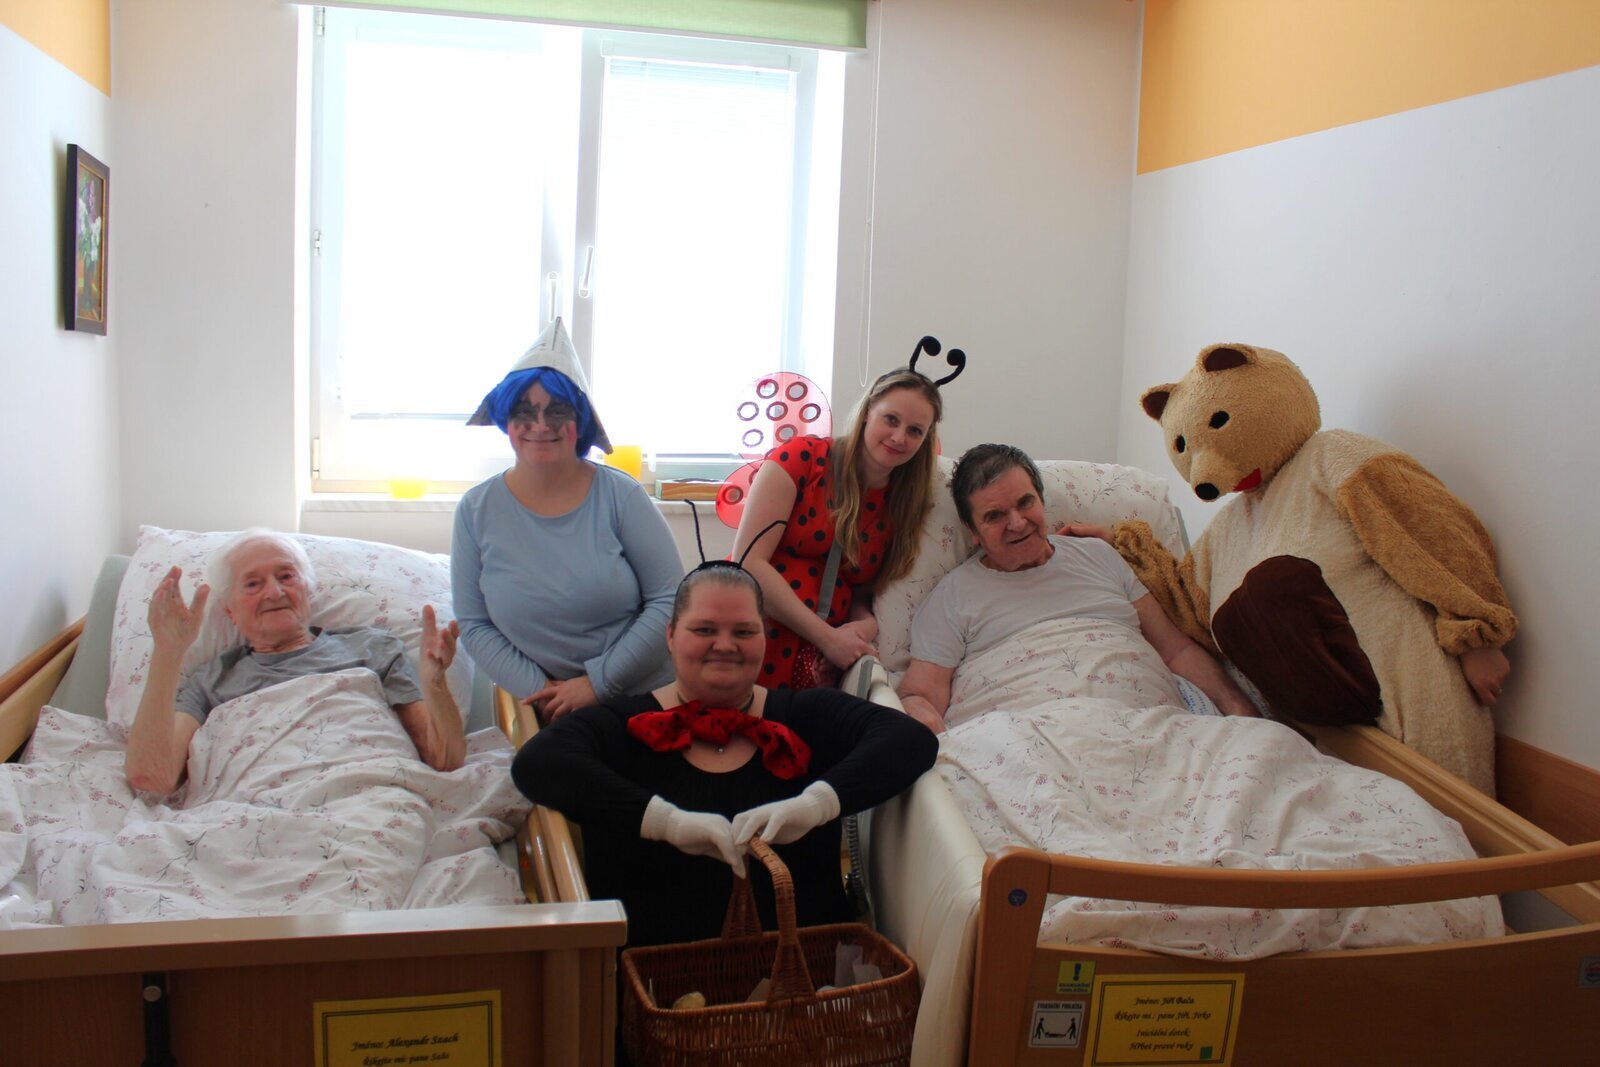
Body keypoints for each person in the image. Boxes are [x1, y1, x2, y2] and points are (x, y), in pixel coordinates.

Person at [510, 563, 938, 948]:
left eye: (744, 632)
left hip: (805, 982)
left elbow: (909, 740)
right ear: (670, 635)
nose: (725, 645)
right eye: (704, 630)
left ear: (764, 639)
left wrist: (816, 804)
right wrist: (665, 822)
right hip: (652, 986)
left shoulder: (806, 713)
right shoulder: (623, 723)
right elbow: (536, 762)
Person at [897, 444, 1261, 732]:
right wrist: (917, 718)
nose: (1017, 523)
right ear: (973, 531)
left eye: (1025, 502)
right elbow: (921, 695)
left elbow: (1176, 649)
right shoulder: (953, 595)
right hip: (1029, 742)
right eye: (994, 516)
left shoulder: (1100, 555)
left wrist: (1241, 710)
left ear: (1041, 500)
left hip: (1155, 726)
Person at [453, 318, 683, 720]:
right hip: (545, 710)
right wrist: (545, 692)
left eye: (557, 410)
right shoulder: (475, 510)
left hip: (644, 698)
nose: (541, 426)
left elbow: (670, 600)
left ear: (580, 422)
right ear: (506, 420)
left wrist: (597, 683)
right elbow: (474, 624)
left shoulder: (622, 496)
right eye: (525, 411)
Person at [124, 530, 465, 794]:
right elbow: (151, 778)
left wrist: (435, 684)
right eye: (253, 584)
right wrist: (167, 653)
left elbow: (444, 759)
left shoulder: (374, 648)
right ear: (230, 611)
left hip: (369, 800)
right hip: (250, 815)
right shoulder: (211, 680)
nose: (274, 592)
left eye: (286, 577)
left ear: (308, 589)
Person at [731, 368, 943, 690]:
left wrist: (866, 624)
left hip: (819, 664)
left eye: (915, 430)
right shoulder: (803, 458)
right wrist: (826, 637)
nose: (899, 437)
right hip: (753, 633)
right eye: (891, 419)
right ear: (868, 411)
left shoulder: (901, 503)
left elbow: (858, 589)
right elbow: (747, 562)